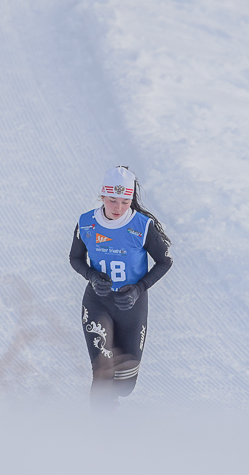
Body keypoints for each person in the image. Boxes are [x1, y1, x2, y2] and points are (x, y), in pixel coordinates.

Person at [69, 165, 173, 409]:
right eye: (112, 200)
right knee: (102, 368)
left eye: (125, 202)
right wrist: (92, 276)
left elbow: (165, 261)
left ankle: (113, 401)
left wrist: (139, 288)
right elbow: (75, 258)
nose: (118, 208)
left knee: (124, 383)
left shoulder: (143, 226)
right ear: (102, 196)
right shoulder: (86, 223)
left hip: (131, 308)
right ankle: (101, 428)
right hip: (97, 303)